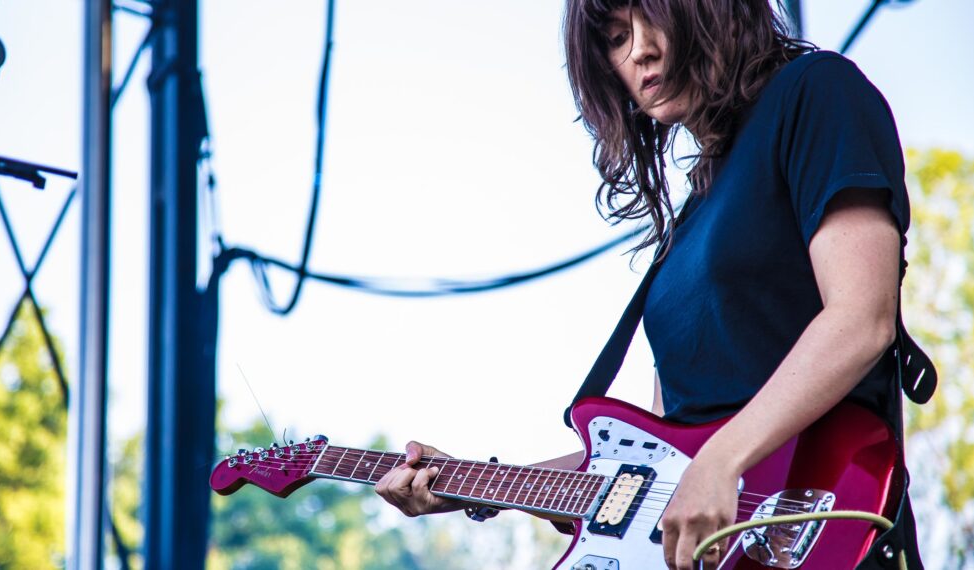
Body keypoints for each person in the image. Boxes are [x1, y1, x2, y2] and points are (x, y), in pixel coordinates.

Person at [375, 1, 921, 569]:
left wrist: (720, 461)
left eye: (650, 18)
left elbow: (862, 319)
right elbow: (654, 465)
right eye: (614, 39)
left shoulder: (815, 92)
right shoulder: (691, 223)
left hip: (819, 521)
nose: (638, 50)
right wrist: (471, 485)